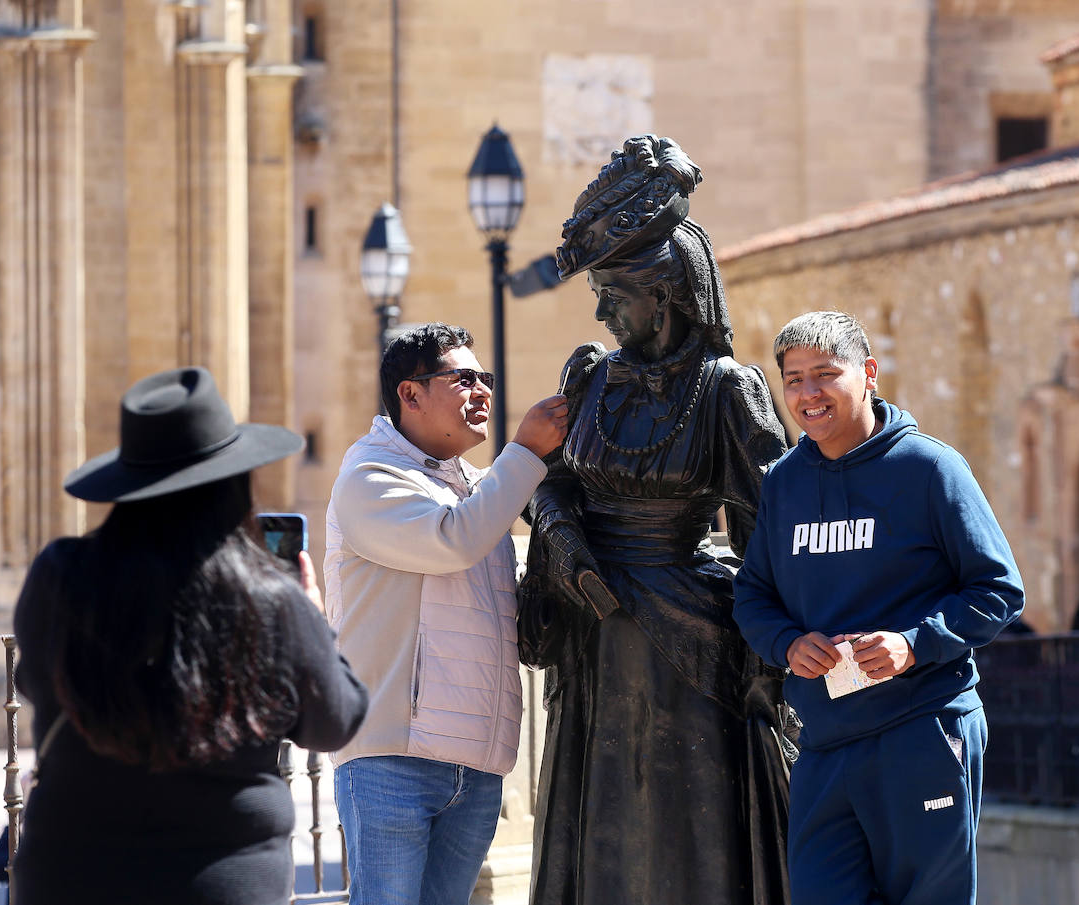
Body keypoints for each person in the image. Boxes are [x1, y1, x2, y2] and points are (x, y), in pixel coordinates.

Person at [518, 135, 792, 905]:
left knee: (684, 837)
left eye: (612, 292)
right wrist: (564, 536)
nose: (601, 310)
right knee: (600, 824)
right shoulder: (591, 379)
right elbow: (549, 483)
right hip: (597, 633)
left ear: (663, 293)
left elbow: (769, 531)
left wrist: (772, 658)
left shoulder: (729, 391)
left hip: (691, 643)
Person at [11, 366, 368, 905]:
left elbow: (35, 681)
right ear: (233, 485)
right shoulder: (270, 600)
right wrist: (313, 618)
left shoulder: (61, 574)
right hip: (223, 879)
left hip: (69, 874)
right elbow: (334, 721)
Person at [733, 310, 1025, 905]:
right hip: (823, 744)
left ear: (869, 373)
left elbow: (998, 589)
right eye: (793, 379)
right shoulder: (784, 482)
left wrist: (914, 644)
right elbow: (753, 595)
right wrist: (787, 643)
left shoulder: (929, 468)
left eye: (824, 375)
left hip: (921, 731)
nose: (808, 394)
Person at [324, 323, 568, 905]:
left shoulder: (478, 490)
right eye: (463, 378)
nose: (482, 390)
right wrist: (528, 452)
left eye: (485, 377)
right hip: (392, 762)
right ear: (410, 394)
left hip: (475, 766)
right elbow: (452, 542)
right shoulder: (369, 478)